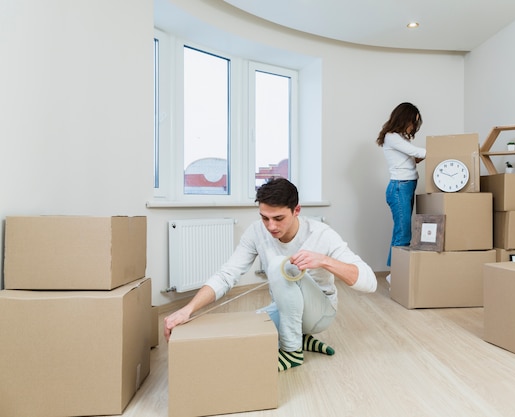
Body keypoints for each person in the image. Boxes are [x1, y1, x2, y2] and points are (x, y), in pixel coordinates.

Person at [164, 177, 377, 371]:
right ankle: (302, 338)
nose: (271, 226)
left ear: (297, 210)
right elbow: (227, 275)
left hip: (321, 313)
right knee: (244, 331)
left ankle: (292, 350)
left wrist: (325, 260)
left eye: (278, 218)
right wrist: (188, 309)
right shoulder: (257, 231)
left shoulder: (322, 234)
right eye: (264, 218)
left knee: (278, 265)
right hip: (287, 310)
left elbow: (370, 282)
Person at [376, 102, 426, 283]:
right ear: (404, 118)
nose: (414, 126)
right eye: (413, 121)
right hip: (399, 187)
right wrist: (441, 148)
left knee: (401, 231)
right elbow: (416, 152)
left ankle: (394, 273)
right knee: (403, 233)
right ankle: (396, 276)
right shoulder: (392, 137)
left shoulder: (400, 139)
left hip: (406, 186)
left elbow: (413, 157)